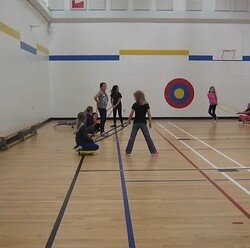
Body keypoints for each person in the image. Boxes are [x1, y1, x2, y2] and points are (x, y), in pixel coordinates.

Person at [125, 90, 158, 156]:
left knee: (132, 137)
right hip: (143, 123)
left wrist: (128, 121)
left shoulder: (135, 104)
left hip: (136, 123)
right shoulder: (146, 104)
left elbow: (131, 114)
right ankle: (153, 152)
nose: (134, 98)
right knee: (147, 137)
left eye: (134, 96)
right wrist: (150, 122)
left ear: (137, 97)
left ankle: (128, 152)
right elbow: (149, 114)